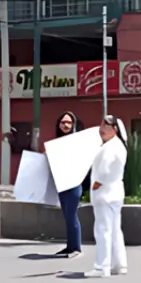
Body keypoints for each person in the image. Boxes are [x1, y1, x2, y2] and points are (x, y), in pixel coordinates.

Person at [86, 115, 128, 278]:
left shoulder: (111, 147)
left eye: (106, 125)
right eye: (101, 125)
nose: (101, 129)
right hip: (114, 193)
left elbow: (104, 170)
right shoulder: (117, 145)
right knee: (115, 230)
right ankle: (119, 264)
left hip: (105, 194)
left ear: (115, 129)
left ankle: (101, 266)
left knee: (103, 230)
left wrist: (97, 183)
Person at [50, 111, 84, 258]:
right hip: (62, 183)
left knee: (72, 215)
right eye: (63, 122)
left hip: (74, 184)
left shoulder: (77, 142)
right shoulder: (56, 142)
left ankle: (76, 247)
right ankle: (70, 246)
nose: (66, 125)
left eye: (69, 122)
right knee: (66, 215)